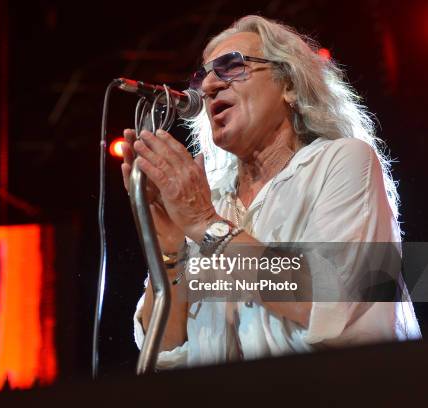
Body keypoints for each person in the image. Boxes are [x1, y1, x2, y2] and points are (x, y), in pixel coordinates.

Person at [120, 15, 421, 370]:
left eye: (231, 66)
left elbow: (335, 299)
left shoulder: (342, 161)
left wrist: (207, 225)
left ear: (289, 85)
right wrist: (169, 252)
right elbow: (166, 349)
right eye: (204, 76)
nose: (210, 86)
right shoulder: (209, 199)